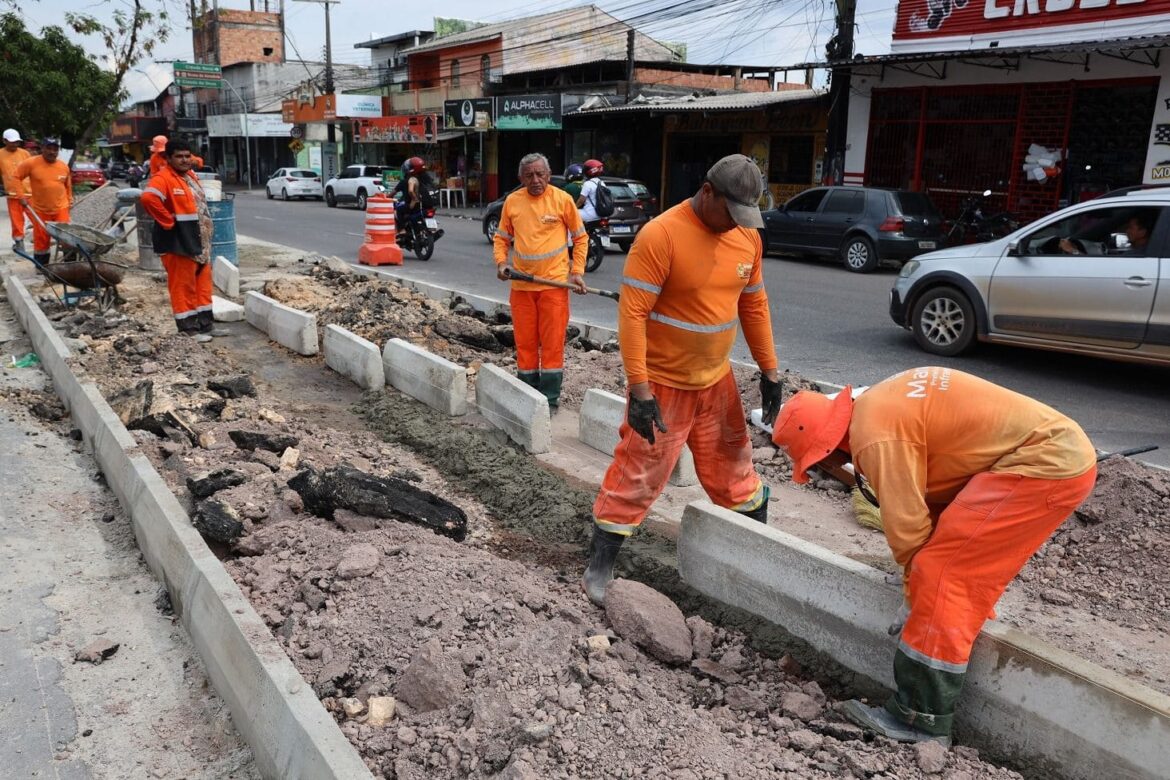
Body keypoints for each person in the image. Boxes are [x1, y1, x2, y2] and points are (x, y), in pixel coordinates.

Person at [770, 366, 1097, 746]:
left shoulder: (875, 439)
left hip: (1042, 464)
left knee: (941, 575)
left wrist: (916, 590)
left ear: (828, 445)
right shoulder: (877, 404)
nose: (827, 468)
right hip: (1050, 454)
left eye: (818, 462)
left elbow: (907, 524)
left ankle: (919, 720)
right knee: (950, 566)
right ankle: (958, 614)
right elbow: (939, 492)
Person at [582, 154, 784, 605]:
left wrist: (770, 372)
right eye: (731, 213)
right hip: (664, 386)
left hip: (716, 383)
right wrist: (639, 389)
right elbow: (632, 315)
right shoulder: (662, 235)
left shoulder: (747, 237)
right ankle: (600, 566)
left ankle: (756, 562)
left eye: (745, 216)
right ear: (707, 192)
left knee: (737, 473)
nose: (737, 224)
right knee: (637, 476)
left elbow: (754, 304)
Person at [492, 152, 589, 410]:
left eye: (540, 174)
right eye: (529, 175)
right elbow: (501, 238)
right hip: (522, 286)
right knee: (524, 343)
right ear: (521, 178)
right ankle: (526, 393)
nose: (535, 180)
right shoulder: (513, 202)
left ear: (548, 174)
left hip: (554, 286)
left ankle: (549, 399)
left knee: (552, 343)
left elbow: (580, 238)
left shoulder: (562, 200)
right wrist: (501, 264)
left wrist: (576, 271)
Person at [141, 140, 220, 343]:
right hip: (178, 242)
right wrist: (168, 221)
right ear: (168, 158)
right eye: (179, 156)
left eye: (187, 156)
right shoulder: (164, 178)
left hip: (198, 241)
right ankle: (188, 330)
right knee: (182, 285)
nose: (185, 160)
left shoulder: (189, 176)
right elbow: (148, 198)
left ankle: (205, 324)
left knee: (202, 284)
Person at [15, 137, 72, 267]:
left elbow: (68, 186)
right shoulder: (31, 163)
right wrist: (21, 196)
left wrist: (69, 201)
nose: (52, 152)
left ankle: (70, 265)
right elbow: (16, 177)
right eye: (49, 148)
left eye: (55, 149)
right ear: (42, 148)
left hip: (61, 209)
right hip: (40, 210)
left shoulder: (63, 166)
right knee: (41, 240)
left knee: (67, 238)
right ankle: (42, 267)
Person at [1, 128, 31, 253]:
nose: (15, 144)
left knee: (37, 218)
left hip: (29, 192)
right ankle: (19, 243)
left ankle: (42, 240)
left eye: (17, 142)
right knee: (17, 220)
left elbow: (33, 170)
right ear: (4, 141)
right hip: (13, 194)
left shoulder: (25, 154)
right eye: (12, 142)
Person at [575, 158, 605, 226]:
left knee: (570, 214)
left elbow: (581, 200)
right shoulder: (602, 183)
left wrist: (574, 207)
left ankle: (570, 236)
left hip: (589, 214)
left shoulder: (587, 184)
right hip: (601, 214)